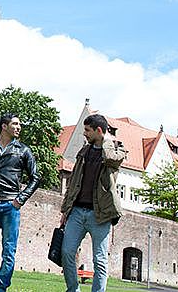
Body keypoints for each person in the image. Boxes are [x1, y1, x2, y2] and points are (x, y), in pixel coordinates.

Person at [60, 114, 126, 292]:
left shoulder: (116, 151)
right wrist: (65, 210)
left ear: (98, 130)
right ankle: (73, 290)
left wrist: (105, 140)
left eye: (88, 131)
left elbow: (111, 159)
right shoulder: (84, 151)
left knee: (100, 259)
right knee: (66, 252)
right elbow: (73, 181)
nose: (84, 134)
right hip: (77, 211)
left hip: (100, 215)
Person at [0, 113, 40, 292]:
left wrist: (21, 199)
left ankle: (1, 287)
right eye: (15, 124)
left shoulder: (23, 150)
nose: (19, 127)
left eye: (19, 124)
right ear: (4, 126)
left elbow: (35, 177)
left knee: (8, 250)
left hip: (11, 205)